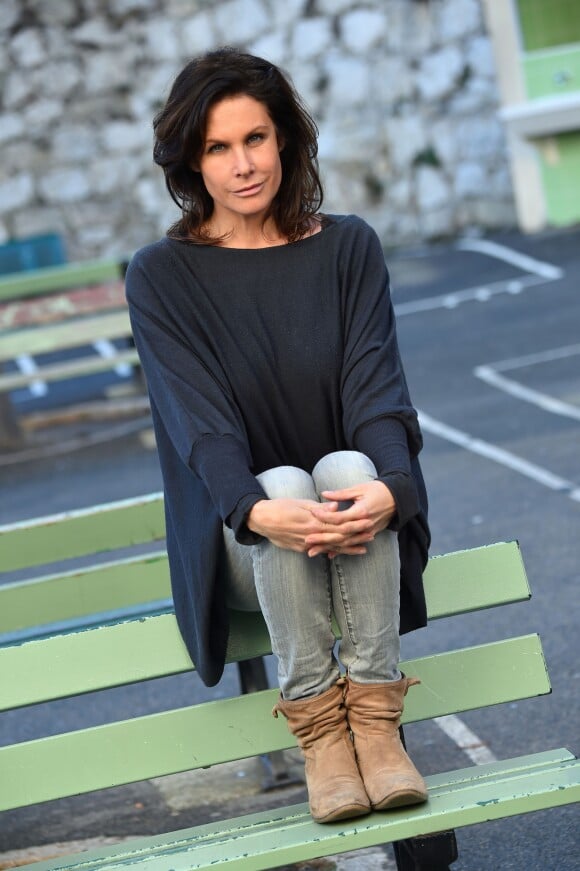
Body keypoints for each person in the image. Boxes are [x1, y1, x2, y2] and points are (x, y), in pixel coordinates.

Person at [125, 46, 430, 824]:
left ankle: (375, 727)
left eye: (255, 138)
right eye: (217, 148)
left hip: (347, 519)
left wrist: (391, 489)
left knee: (350, 463)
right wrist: (256, 509)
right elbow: (201, 426)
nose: (242, 165)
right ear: (192, 162)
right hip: (244, 540)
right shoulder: (161, 276)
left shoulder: (347, 247)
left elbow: (377, 390)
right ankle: (323, 737)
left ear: (286, 138)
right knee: (286, 483)